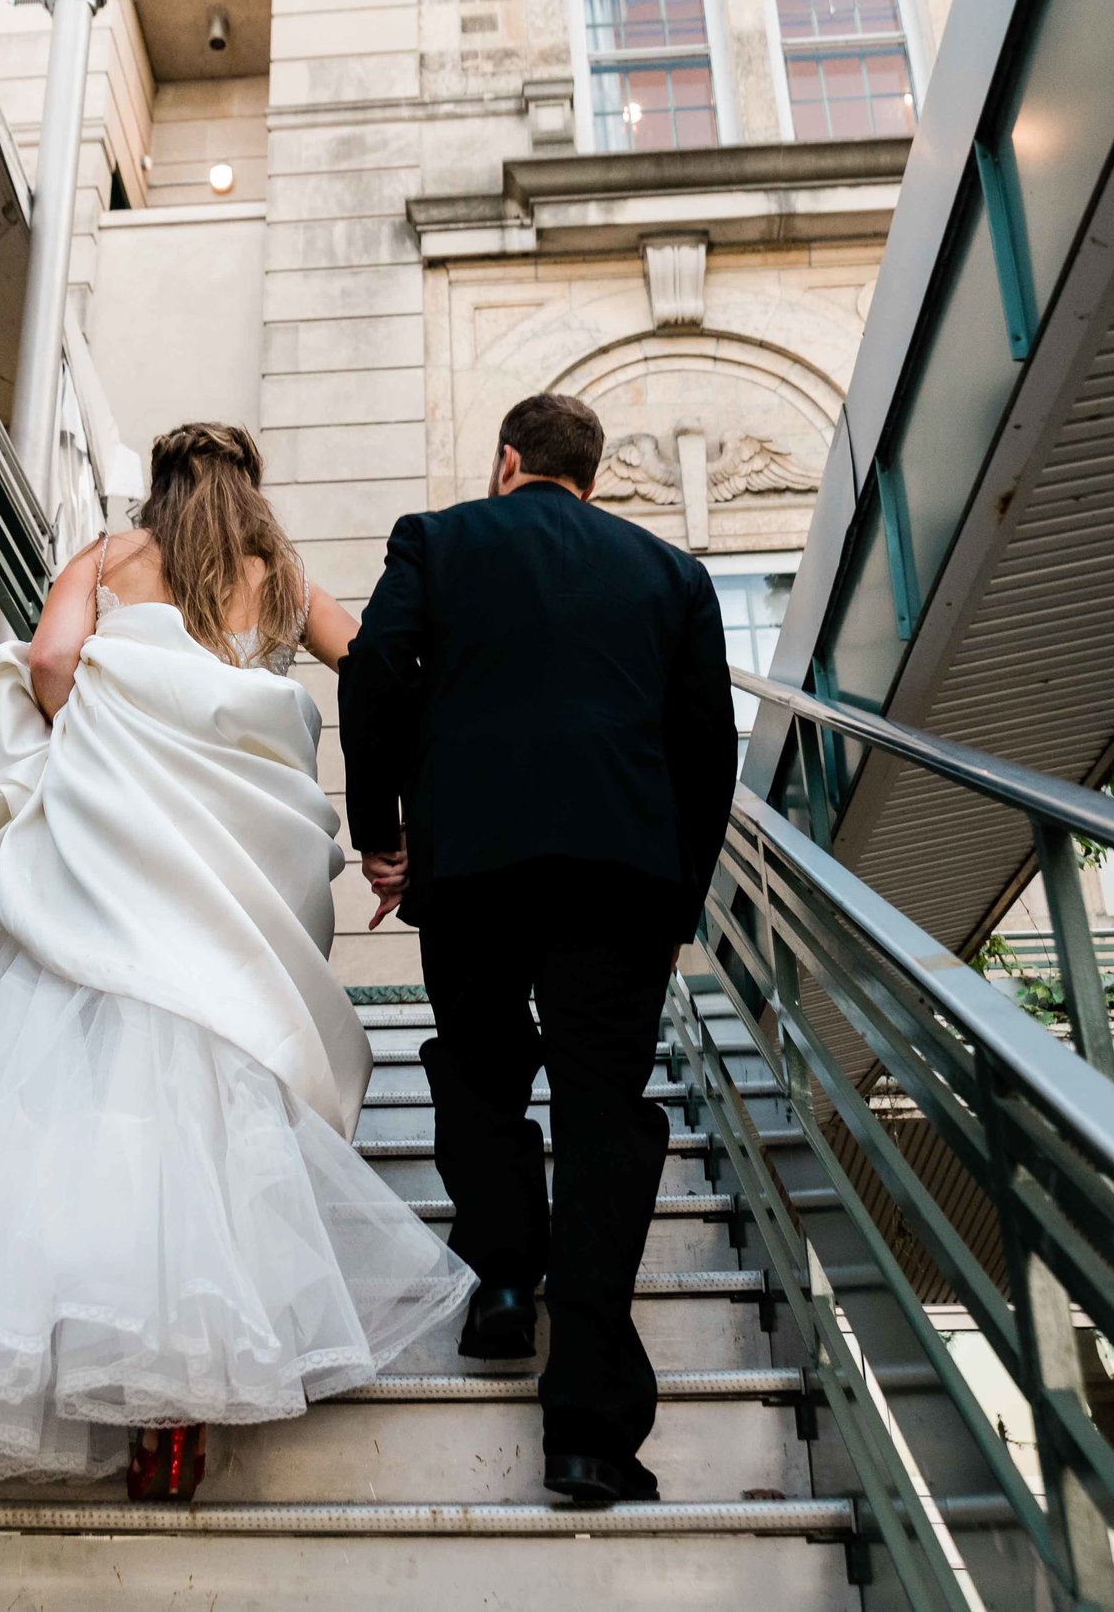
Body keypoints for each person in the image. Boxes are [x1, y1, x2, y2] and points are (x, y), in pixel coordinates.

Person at [0, 423, 475, 1500]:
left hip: (114, 869)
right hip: (231, 883)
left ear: (160, 486)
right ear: (247, 488)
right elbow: (372, 659)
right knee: (218, 1124)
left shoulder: (107, 555)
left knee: (66, 1125)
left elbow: (51, 659)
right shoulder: (276, 574)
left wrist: (95, 733)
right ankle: (175, 1429)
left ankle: (55, 1380)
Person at [339, 392, 736, 1503]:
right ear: (592, 479)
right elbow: (707, 751)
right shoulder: (671, 575)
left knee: (475, 1062)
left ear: (506, 461)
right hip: (620, 874)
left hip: (470, 861)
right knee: (603, 1109)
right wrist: (679, 906)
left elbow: (373, 671)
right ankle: (588, 1428)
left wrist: (385, 834)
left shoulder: (437, 537)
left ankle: (503, 1277)